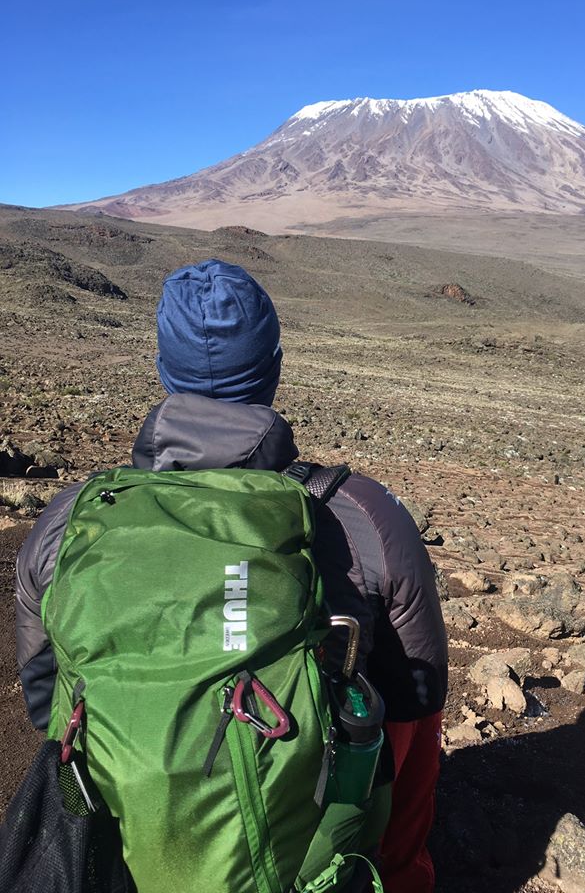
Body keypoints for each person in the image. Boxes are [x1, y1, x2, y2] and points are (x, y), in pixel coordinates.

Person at [15, 259, 448, 893]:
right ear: (273, 369)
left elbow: (42, 698)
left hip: (121, 847)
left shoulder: (72, 524)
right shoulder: (364, 517)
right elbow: (415, 704)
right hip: (304, 852)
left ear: (164, 372)